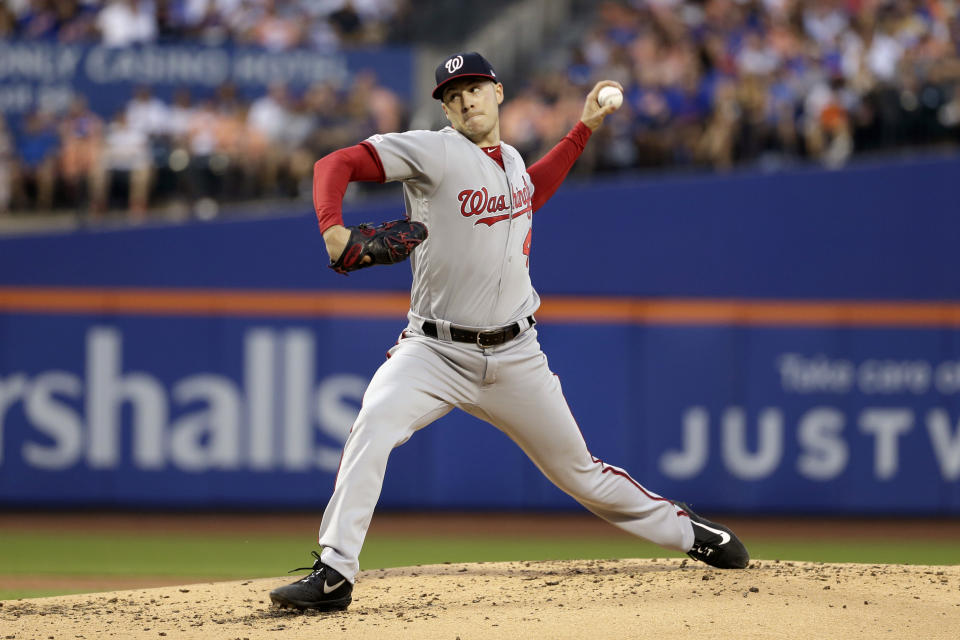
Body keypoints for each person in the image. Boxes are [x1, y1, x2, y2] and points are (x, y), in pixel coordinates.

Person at [269, 52, 749, 612]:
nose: (464, 100)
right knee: (372, 426)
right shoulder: (434, 151)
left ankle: (690, 533)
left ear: (498, 92)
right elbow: (335, 162)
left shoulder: (512, 160)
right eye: (452, 95)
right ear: (445, 110)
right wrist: (334, 231)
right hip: (434, 350)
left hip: (518, 354)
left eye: (473, 88)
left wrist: (582, 130)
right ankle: (335, 572)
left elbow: (530, 195)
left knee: (582, 475)